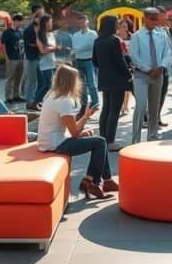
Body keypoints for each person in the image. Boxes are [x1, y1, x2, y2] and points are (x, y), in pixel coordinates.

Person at [36, 64, 118, 199]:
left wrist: (85, 117)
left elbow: (71, 129)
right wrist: (83, 128)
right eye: (76, 79)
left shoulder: (51, 95)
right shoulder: (64, 101)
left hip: (49, 141)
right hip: (56, 144)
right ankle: (92, 182)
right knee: (100, 142)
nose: (79, 83)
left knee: (99, 142)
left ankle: (104, 181)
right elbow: (75, 133)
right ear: (71, 82)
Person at [128, 8, 172, 143]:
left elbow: (168, 53)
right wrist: (147, 69)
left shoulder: (161, 35)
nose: (155, 22)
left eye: (156, 19)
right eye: (152, 19)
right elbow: (134, 55)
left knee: (154, 107)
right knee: (141, 105)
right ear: (145, 19)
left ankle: (152, 135)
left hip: (158, 74)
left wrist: (161, 67)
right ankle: (135, 139)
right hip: (141, 75)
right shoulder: (137, 36)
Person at [94, 16, 132, 150]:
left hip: (104, 78)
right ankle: (110, 140)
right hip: (117, 79)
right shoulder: (114, 40)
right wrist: (128, 75)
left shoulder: (98, 40)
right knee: (114, 110)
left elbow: (94, 61)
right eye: (116, 24)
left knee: (106, 108)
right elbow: (119, 60)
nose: (117, 26)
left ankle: (102, 138)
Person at [71, 13, 99, 116]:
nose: (82, 24)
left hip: (89, 60)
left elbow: (91, 46)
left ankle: (95, 102)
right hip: (79, 60)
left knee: (91, 83)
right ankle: (84, 103)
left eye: (83, 21)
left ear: (87, 22)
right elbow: (74, 47)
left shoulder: (93, 34)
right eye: (80, 22)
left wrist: (79, 48)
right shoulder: (75, 35)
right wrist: (80, 48)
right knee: (81, 84)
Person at [154, 7, 172, 128]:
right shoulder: (153, 30)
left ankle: (157, 116)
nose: (166, 17)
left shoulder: (165, 29)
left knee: (163, 92)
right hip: (157, 66)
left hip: (166, 67)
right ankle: (152, 118)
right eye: (164, 15)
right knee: (156, 94)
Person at [33, 14, 58, 107]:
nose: (52, 23)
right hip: (45, 64)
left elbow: (51, 47)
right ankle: (36, 101)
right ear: (46, 23)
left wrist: (51, 48)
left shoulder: (51, 34)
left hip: (52, 62)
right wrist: (54, 48)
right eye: (50, 21)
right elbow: (42, 50)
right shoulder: (40, 35)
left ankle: (42, 101)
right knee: (47, 85)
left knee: (50, 85)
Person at [1, 14, 26, 103]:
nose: (22, 23)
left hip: (20, 58)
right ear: (15, 21)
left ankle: (16, 95)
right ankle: (8, 97)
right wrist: (6, 57)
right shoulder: (7, 32)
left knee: (18, 77)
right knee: (10, 78)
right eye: (20, 21)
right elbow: (3, 45)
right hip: (11, 58)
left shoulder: (21, 32)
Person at [23, 8, 44, 110]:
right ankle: (29, 102)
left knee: (40, 81)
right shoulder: (28, 30)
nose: (40, 20)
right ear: (35, 18)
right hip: (31, 58)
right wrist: (41, 46)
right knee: (31, 81)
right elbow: (29, 44)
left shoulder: (41, 29)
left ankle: (36, 100)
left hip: (40, 57)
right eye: (38, 17)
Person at [117, 18, 134, 116]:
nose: (123, 28)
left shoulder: (132, 37)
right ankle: (121, 106)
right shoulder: (116, 38)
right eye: (121, 26)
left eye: (125, 26)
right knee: (121, 86)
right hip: (119, 63)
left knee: (127, 87)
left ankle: (126, 106)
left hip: (130, 63)